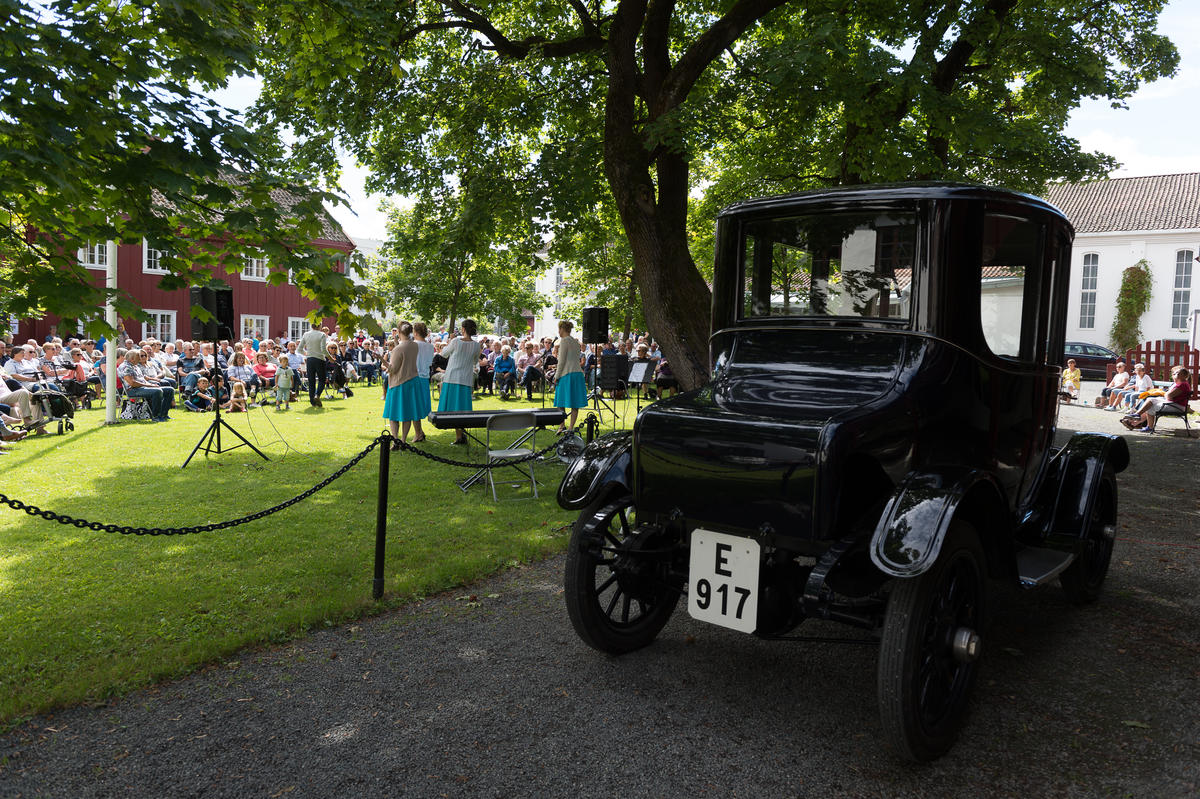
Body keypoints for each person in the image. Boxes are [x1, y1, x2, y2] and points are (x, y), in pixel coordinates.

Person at [438, 319, 481, 445]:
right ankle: (461, 435)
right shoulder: (476, 345)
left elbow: (443, 353)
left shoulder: (456, 341)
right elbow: (474, 361)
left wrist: (449, 340)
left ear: (463, 329)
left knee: (454, 408)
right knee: (462, 408)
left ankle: (460, 437)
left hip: (452, 378)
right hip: (465, 379)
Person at [383, 322, 426, 447]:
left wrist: (381, 359)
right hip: (412, 381)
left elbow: (392, 369)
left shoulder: (398, 349)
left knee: (394, 415)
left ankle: (395, 440)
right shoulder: (414, 345)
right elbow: (404, 352)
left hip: (398, 383)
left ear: (400, 332)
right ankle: (402, 441)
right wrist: (397, 341)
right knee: (407, 413)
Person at [1122, 367, 1191, 433]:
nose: (1173, 375)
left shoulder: (1182, 385)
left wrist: (1166, 394)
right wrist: (1166, 394)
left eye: (1176, 374)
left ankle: (1140, 423)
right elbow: (1168, 395)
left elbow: (1169, 396)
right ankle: (1136, 419)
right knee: (1150, 400)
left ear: (1182, 375)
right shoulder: (1179, 384)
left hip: (1177, 406)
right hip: (1173, 404)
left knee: (1150, 405)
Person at [118, 350, 172, 421]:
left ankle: (164, 414)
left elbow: (142, 379)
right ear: (132, 359)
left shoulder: (135, 366)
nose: (140, 359)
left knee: (170, 390)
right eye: (138, 357)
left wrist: (151, 384)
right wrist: (151, 386)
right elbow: (132, 383)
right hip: (133, 390)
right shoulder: (125, 367)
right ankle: (155, 416)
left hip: (142, 387)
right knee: (157, 391)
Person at [553, 320, 586, 432]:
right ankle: (571, 427)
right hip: (578, 374)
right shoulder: (575, 342)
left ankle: (562, 425)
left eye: (559, 329)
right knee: (574, 403)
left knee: (560, 402)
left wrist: (556, 376)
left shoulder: (564, 341)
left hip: (567, 374)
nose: (558, 331)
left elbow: (561, 361)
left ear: (562, 329)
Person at [297, 323, 329, 407]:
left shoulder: (306, 334)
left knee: (311, 381)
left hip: (310, 360)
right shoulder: (322, 334)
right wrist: (331, 358)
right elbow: (323, 349)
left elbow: (299, 349)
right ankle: (317, 395)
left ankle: (313, 402)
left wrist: (307, 353)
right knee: (322, 379)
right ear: (319, 326)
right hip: (320, 359)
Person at [412, 322, 434, 420]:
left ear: (415, 332)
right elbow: (430, 363)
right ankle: (419, 432)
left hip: (414, 376)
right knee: (422, 405)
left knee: (414, 406)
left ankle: (419, 433)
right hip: (425, 377)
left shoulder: (413, 345)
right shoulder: (430, 346)